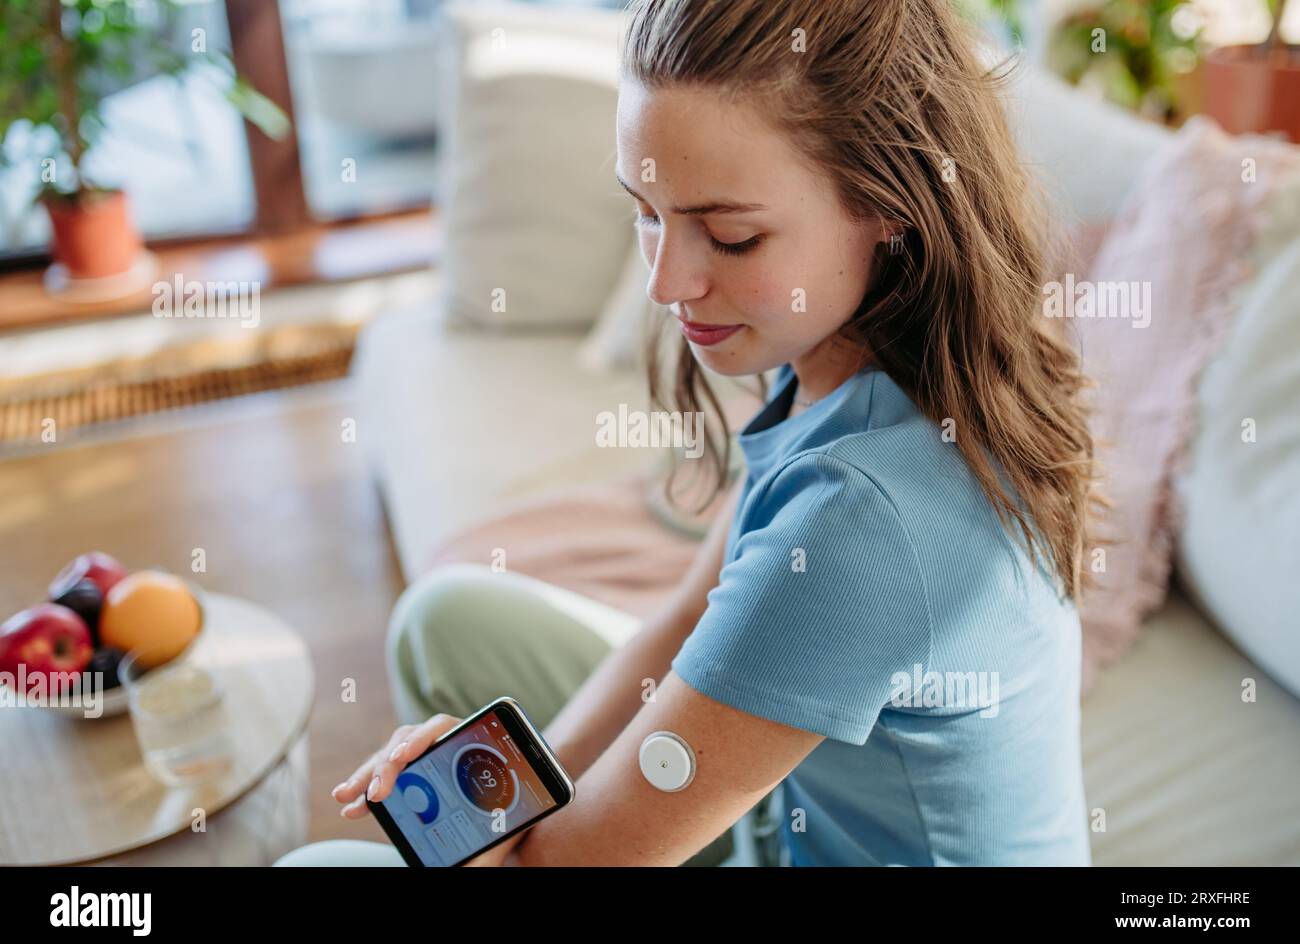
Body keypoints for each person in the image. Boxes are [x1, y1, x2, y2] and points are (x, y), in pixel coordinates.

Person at [277, 0, 1103, 867]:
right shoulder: (851, 366)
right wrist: (517, 795)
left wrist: (500, 844)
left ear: (890, 203)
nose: (667, 282)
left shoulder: (865, 523)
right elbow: (681, 623)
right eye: (646, 212)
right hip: (775, 812)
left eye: (731, 236)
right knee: (446, 616)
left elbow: (576, 867)